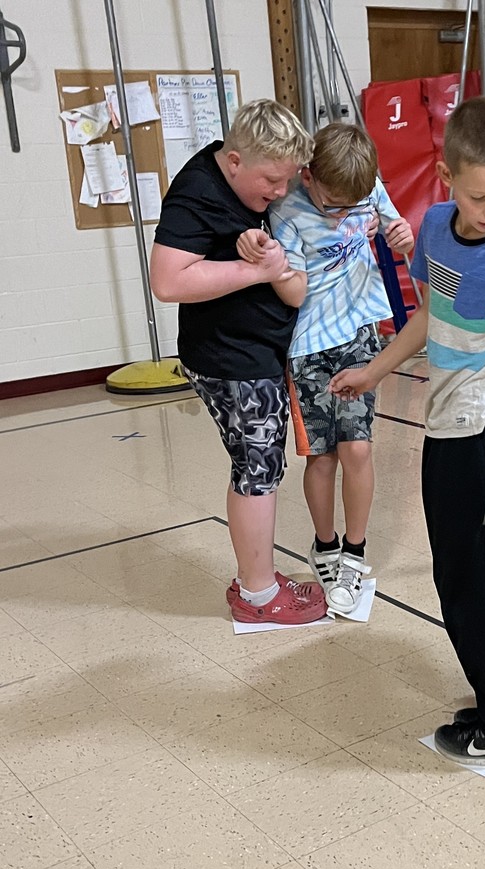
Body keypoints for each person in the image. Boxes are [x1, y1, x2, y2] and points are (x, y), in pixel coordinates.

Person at [329, 96, 485, 772]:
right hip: (446, 424)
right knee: (478, 575)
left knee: (467, 584)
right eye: (480, 195)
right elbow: (430, 317)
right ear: (445, 174)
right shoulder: (431, 227)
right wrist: (374, 371)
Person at [150, 99, 326, 625]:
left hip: (258, 349)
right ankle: (257, 595)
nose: (279, 192)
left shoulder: (254, 182)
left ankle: (258, 578)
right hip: (229, 356)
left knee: (260, 463)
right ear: (233, 162)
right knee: (258, 466)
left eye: (287, 179)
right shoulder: (197, 192)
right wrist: (256, 273)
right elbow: (168, 281)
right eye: (270, 180)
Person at [236, 123, 414, 615]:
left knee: (358, 447)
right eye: (332, 204)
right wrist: (275, 265)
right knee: (324, 456)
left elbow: (399, 234)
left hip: (360, 334)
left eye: (349, 206)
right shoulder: (287, 209)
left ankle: (355, 554)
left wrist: (400, 234)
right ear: (309, 175)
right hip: (310, 346)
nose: (341, 215)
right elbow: (293, 293)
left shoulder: (363, 185)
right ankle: (326, 545)